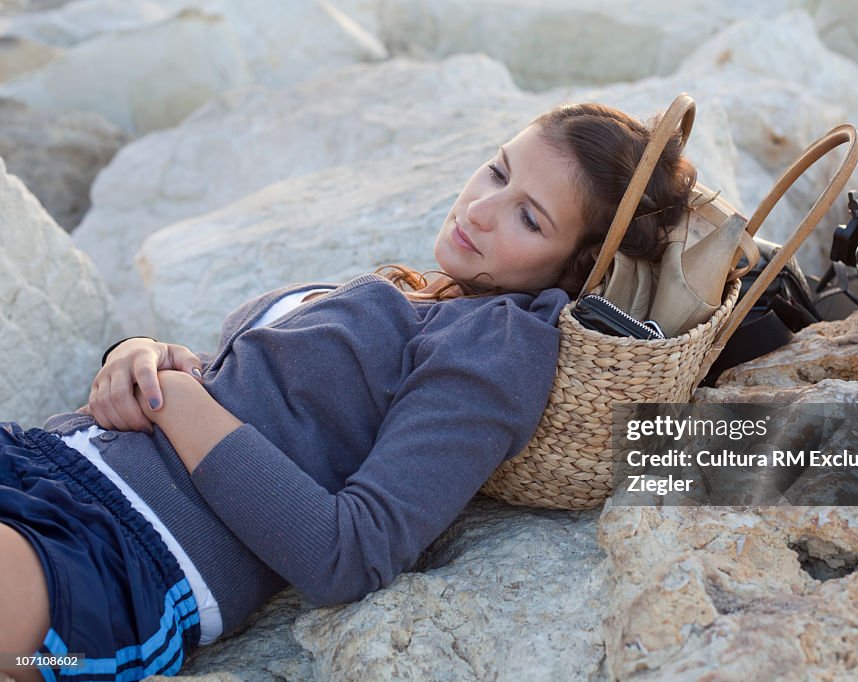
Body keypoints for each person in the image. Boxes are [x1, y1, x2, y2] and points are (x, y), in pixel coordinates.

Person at [0, 102, 696, 682]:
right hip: (45, 464)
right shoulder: (423, 295)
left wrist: (177, 407)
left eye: (529, 219)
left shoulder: (498, 345)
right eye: (497, 170)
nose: (482, 210)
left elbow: (351, 553)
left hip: (114, 557)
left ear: (572, 268)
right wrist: (139, 355)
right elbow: (248, 394)